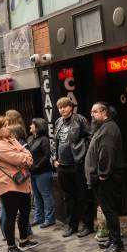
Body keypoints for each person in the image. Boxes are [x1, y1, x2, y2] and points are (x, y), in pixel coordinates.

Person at [0, 115, 37, 252]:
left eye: (8, 124)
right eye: (4, 126)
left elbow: (26, 153)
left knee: (25, 211)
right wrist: (25, 155)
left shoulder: (10, 139)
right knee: (10, 216)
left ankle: (23, 240)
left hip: (21, 182)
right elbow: (21, 159)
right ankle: (11, 247)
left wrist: (24, 155)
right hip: (7, 185)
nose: (7, 128)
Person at [85, 102, 124, 252]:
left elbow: (107, 153)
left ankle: (116, 243)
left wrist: (103, 174)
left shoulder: (108, 129)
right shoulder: (103, 127)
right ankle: (113, 239)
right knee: (108, 211)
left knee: (110, 211)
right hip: (104, 178)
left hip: (106, 178)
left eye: (95, 112)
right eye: (91, 112)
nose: (92, 115)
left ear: (104, 112)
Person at [52, 97, 94, 238]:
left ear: (71, 107)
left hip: (77, 164)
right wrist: (55, 158)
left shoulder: (80, 119)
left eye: (64, 106)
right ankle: (72, 225)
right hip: (63, 166)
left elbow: (90, 137)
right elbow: (55, 142)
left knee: (83, 196)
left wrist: (82, 154)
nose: (62, 109)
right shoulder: (58, 122)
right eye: (60, 108)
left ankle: (88, 225)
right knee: (68, 197)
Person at [28, 118, 55, 228]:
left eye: (32, 124)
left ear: (38, 126)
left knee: (45, 195)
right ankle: (38, 217)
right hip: (32, 172)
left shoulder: (44, 139)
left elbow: (46, 155)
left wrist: (37, 166)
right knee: (36, 196)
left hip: (43, 172)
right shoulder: (30, 138)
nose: (30, 126)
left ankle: (49, 219)